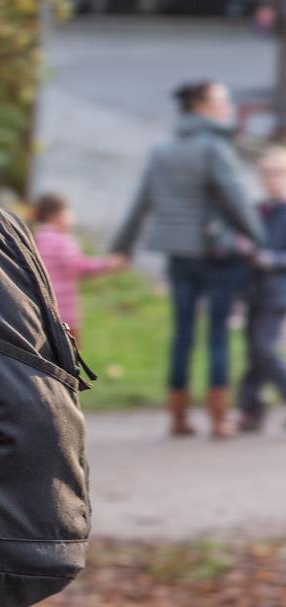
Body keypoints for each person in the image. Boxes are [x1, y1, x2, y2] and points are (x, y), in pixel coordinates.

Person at [111, 80, 266, 438]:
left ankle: (178, 417)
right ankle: (219, 418)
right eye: (222, 101)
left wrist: (123, 246)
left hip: (178, 255)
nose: (228, 107)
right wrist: (259, 238)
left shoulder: (162, 151)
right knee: (217, 335)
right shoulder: (214, 148)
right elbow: (237, 201)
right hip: (216, 256)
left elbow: (141, 202)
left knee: (181, 334)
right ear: (201, 106)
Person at [29, 192, 127, 342]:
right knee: (70, 356)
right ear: (57, 215)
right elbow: (80, 266)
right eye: (69, 212)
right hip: (64, 313)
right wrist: (109, 263)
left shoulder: (36, 237)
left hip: (42, 309)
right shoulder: (62, 240)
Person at [238, 146, 286, 433]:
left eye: (278, 173)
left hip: (277, 290)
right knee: (253, 351)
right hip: (253, 289)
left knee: (263, 348)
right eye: (266, 174)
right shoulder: (259, 211)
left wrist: (270, 260)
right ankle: (251, 409)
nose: (272, 179)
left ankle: (251, 407)